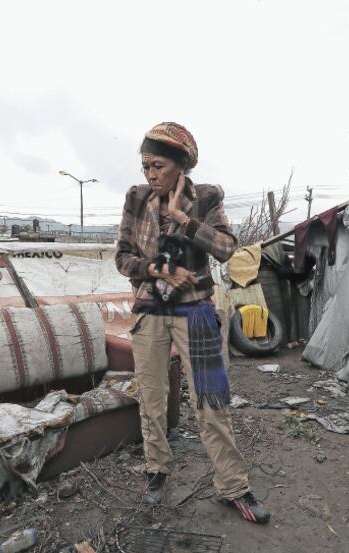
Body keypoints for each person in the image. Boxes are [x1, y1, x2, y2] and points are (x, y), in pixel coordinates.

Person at [115, 121, 271, 525]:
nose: (150, 174)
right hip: (151, 309)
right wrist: (158, 270)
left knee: (210, 401)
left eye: (158, 166)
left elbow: (227, 249)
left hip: (197, 311)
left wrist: (183, 220)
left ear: (180, 166)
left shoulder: (206, 197)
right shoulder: (136, 199)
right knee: (151, 396)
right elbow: (123, 258)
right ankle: (156, 473)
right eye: (146, 166)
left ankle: (233, 487)